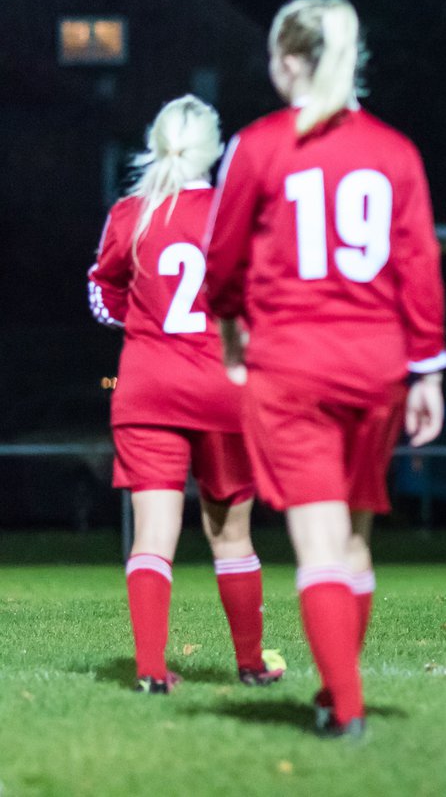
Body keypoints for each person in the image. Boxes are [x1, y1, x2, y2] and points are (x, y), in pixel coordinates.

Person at [204, 0, 446, 738]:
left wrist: (231, 326)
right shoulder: (395, 151)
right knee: (354, 540)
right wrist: (428, 369)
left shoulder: (259, 144)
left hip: (293, 367)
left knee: (317, 544)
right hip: (375, 368)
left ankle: (344, 709)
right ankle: (335, 688)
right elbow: (420, 266)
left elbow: (222, 261)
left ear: (286, 61)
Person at [87, 95, 284, 694]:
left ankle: (150, 671)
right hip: (222, 390)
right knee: (231, 535)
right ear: (215, 148)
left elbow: (102, 297)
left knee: (152, 536)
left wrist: (143, 319)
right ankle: (250, 665)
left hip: (147, 388)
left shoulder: (131, 212)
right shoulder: (237, 215)